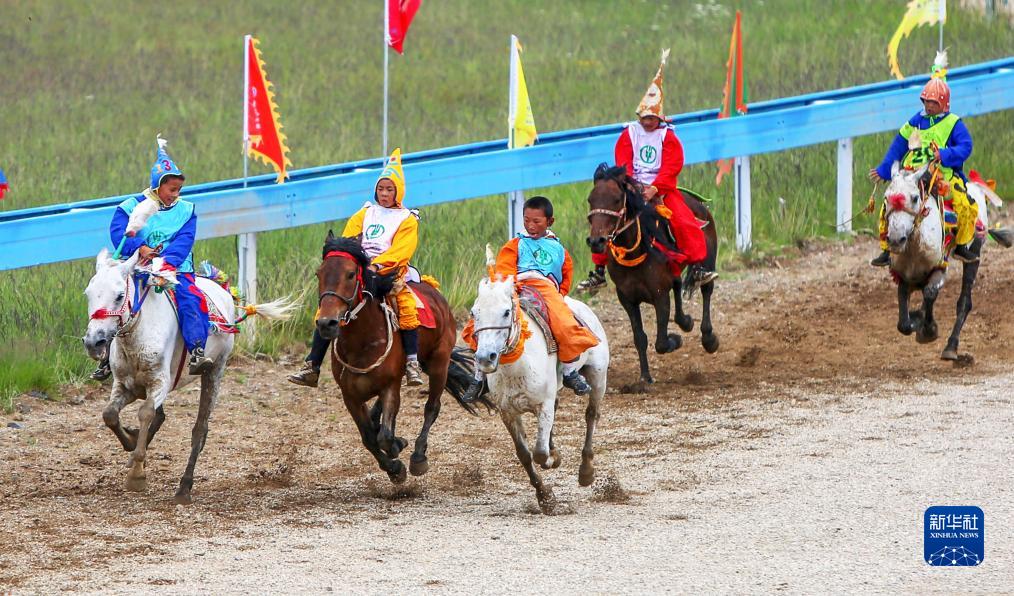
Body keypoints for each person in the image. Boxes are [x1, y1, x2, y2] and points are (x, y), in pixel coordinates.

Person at [578, 49, 716, 292]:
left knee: (684, 221)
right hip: (632, 187)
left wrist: (655, 189)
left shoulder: (668, 137)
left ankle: (696, 267)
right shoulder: (629, 134)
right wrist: (632, 184)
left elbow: (672, 166)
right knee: (605, 218)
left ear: (659, 117)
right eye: (643, 117)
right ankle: (599, 270)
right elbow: (623, 161)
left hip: (662, 189)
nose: (646, 121)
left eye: (651, 118)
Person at [288, 148, 425, 388]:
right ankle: (312, 365)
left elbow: (402, 250)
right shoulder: (365, 213)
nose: (384, 194)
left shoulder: (407, 219)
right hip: (359, 269)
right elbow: (349, 241)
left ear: (398, 192)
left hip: (388, 271)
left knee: (406, 305)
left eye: (389, 189)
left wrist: (378, 264)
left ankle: (412, 363)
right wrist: (356, 262)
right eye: (381, 189)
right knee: (328, 307)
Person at [91, 136, 213, 380]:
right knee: (114, 301)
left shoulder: (186, 210)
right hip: (136, 267)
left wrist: (165, 263)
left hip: (175, 270)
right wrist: (141, 248)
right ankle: (106, 358)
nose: (175, 195)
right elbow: (118, 232)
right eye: (171, 190)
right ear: (158, 186)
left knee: (191, 299)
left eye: (178, 190)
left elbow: (185, 240)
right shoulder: (130, 207)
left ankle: (197, 351)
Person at [461, 196, 600, 401]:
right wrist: (510, 286)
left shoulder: (559, 250)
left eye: (536, 221)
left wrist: (558, 294)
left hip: (546, 289)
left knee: (564, 322)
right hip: (516, 286)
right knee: (481, 322)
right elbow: (505, 268)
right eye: (526, 220)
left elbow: (566, 276)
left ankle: (569, 371)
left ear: (550, 221)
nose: (531, 225)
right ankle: (479, 377)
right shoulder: (516, 244)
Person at [869, 52, 976, 266]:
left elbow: (966, 146)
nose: (928, 106)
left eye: (933, 102)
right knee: (889, 203)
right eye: (926, 101)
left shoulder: (953, 123)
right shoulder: (915, 121)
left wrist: (944, 154)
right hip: (911, 174)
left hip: (942, 174)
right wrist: (884, 169)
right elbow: (899, 144)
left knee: (965, 204)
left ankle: (962, 246)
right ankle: (887, 248)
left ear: (943, 104)